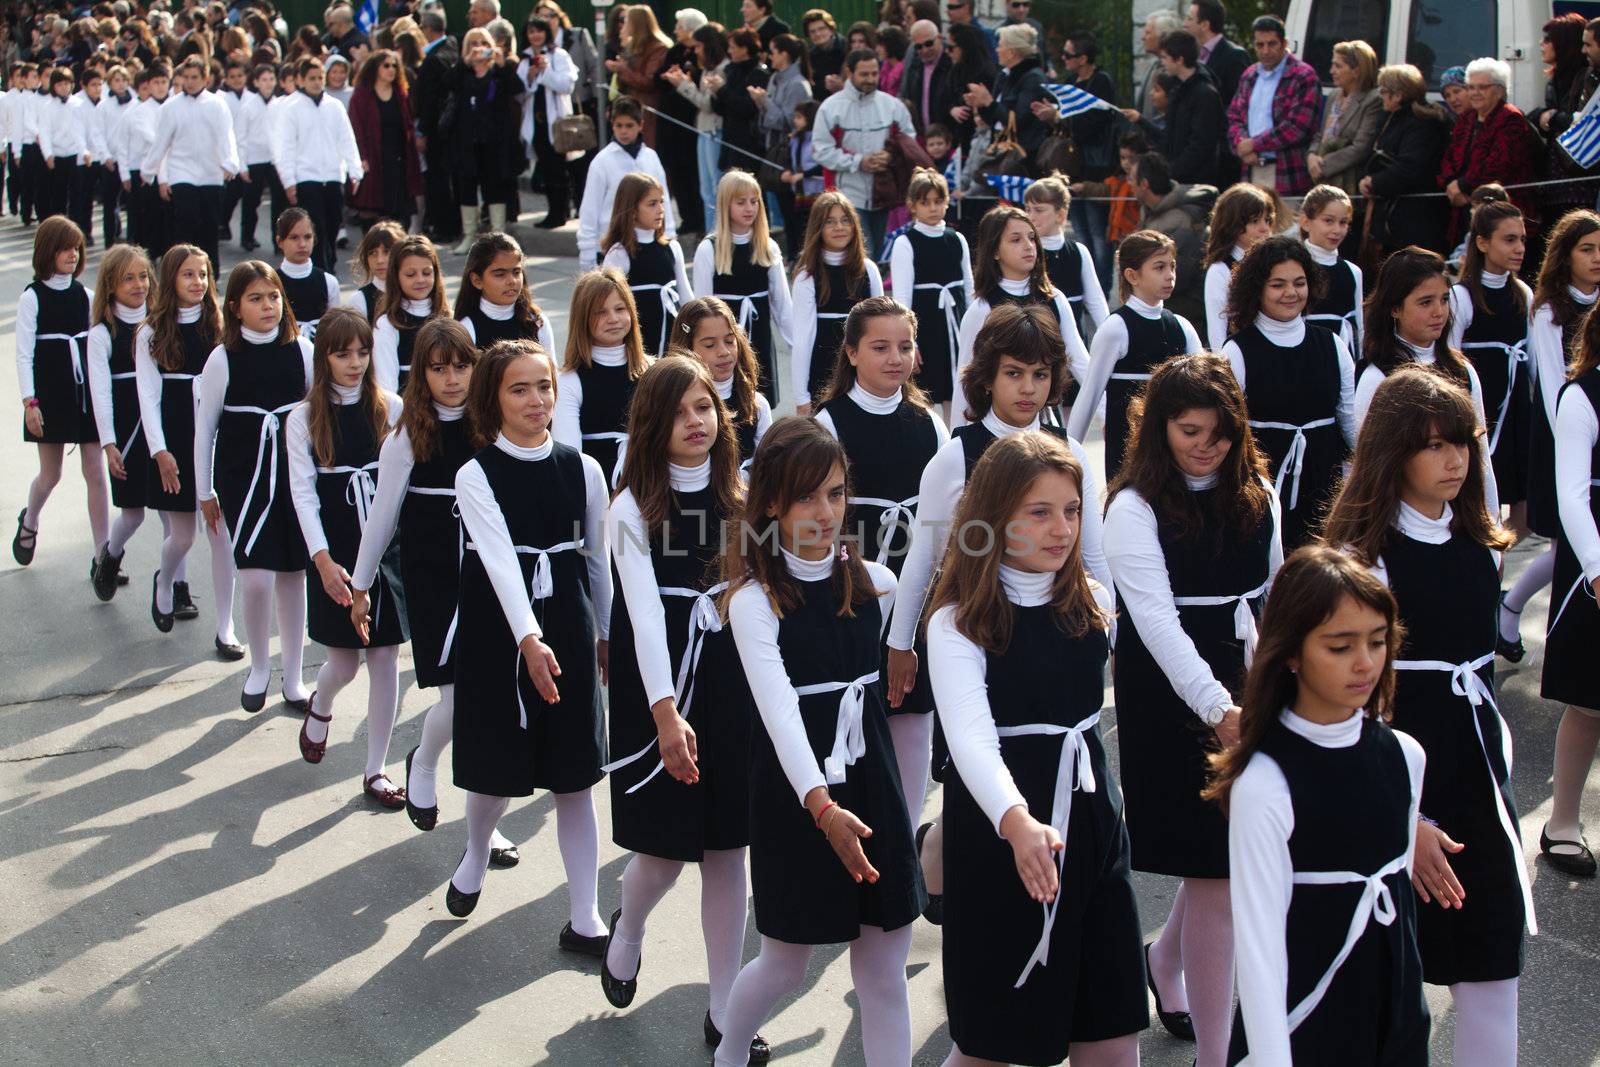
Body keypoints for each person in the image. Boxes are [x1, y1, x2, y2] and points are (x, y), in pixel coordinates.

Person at [1327, 365, 1532, 1067]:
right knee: (1369, 987)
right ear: (1394, 451)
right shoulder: (1368, 556)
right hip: (1393, 784)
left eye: (1463, 443)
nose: (1454, 460)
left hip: (1475, 777)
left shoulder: (1479, 540)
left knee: (1493, 965)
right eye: (1433, 445)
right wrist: (1405, 819)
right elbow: (1350, 706)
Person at [926, 430, 1146, 1067]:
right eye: (1039, 512)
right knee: (999, 1043)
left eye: (1072, 511)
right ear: (994, 517)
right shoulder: (959, 619)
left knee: (1110, 1033)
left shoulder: (1095, 603)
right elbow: (970, 735)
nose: (1062, 528)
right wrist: (1016, 821)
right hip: (1001, 838)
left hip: (1094, 827)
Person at [717, 416, 923, 1067]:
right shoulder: (754, 602)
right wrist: (823, 808)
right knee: (785, 964)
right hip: (796, 798)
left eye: (836, 493)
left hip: (873, 788)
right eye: (808, 495)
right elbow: (781, 715)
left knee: (884, 972)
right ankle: (727, 1052)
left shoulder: (879, 585)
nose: (826, 510)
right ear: (773, 501)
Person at [1104, 353, 1283, 1067]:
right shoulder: (1132, 506)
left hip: (1247, 676)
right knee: (1219, 871)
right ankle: (1218, 1055)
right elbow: (1154, 620)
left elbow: (1279, 591)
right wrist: (1220, 708)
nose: (1206, 444)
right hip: (1171, 694)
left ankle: (1166, 960)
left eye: (1218, 431)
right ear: (1157, 430)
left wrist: (1278, 686)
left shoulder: (1257, 489)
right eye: (1188, 430)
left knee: (1222, 865)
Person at [597, 356, 765, 1062]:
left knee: (729, 853)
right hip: (658, 687)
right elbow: (640, 614)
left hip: (729, 691)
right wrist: (667, 716)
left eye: (706, 407)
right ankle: (628, 929)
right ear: (652, 426)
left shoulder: (746, 496)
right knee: (664, 857)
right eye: (679, 411)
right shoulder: (631, 506)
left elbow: (768, 597)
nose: (697, 421)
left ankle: (724, 1006)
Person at [1207, 544, 1429, 1065]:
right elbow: (1259, 951)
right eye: (1339, 646)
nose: (1365, 663)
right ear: (1290, 652)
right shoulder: (1265, 782)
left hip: (1394, 1022)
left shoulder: (1405, 755)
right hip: (1301, 1025)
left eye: (1378, 642)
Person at [442, 336, 613, 966]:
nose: (537, 399)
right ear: (494, 399)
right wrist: (527, 640)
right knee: (495, 774)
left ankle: (586, 915)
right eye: (520, 388)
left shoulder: (584, 468)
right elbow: (499, 565)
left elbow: (597, 560)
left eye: (544, 385)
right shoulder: (475, 474)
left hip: (566, 624)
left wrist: (605, 634)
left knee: (575, 779)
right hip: (500, 635)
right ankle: (475, 854)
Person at [813, 297, 948, 824]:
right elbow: (814, 520)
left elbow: (942, 522)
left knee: (913, 715)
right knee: (855, 713)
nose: (896, 358)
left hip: (917, 590)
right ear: (850, 353)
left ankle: (907, 836)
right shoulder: (828, 422)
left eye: (905, 346)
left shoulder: (928, 423)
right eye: (880, 347)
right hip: (850, 589)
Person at [283, 306, 408, 807]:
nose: (355, 362)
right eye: (342, 353)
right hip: (334, 548)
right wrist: (322, 560)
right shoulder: (303, 417)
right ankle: (322, 702)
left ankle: (376, 769)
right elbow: (303, 492)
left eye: (362, 352)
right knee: (345, 663)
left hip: (385, 549)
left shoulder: (391, 408)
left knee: (384, 657)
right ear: (324, 358)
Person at [193, 260, 314, 714]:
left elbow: (317, 410)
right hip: (243, 477)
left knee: (293, 575)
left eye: (273, 296)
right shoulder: (222, 358)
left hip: (292, 474)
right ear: (235, 308)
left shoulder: (301, 349)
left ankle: (295, 675)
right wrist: (205, 490)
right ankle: (260, 666)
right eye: (255, 299)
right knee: (257, 578)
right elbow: (205, 429)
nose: (267, 306)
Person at [1503, 210, 1600, 660]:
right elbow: (1553, 383)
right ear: (1566, 254)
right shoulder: (1550, 308)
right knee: (1567, 541)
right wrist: (1575, 437)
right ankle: (1510, 605)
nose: (1597, 258)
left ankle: (1509, 606)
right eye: (1587, 249)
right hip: (1565, 432)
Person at [1222, 235, 1357, 550]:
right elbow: (1229, 427)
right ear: (1257, 289)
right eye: (1278, 284)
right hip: (1264, 483)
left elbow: (1349, 419)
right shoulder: (1238, 350)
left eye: (1299, 283)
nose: (1290, 293)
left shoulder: (1332, 345)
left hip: (1325, 480)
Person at [136, 244, 239, 650]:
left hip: (217, 434)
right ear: (170, 280)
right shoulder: (151, 331)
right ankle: (164, 580)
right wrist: (160, 451)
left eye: (203, 274)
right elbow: (148, 396)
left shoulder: (220, 324)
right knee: (182, 538)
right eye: (188, 275)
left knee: (221, 537)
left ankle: (226, 626)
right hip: (176, 437)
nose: (198, 282)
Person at [1353, 249, 1500, 526]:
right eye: (1425, 302)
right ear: (1394, 308)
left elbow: (1480, 456)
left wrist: (1491, 522)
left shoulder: (1461, 370)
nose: (1438, 312)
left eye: (1444, 300)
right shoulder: (1377, 376)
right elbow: (1366, 466)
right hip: (1399, 521)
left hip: (1460, 516)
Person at [11, 218, 108, 576]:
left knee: (95, 471)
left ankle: (103, 555)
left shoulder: (86, 296)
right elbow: (23, 354)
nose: (72, 254)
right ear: (47, 252)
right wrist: (29, 403)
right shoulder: (32, 297)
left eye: (76, 248)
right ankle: (30, 519)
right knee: (50, 475)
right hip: (49, 394)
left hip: (83, 394)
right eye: (65, 248)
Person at [1541, 295, 1600, 880]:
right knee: (1589, 701)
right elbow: (1573, 495)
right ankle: (1561, 821)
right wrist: (1598, 568)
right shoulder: (1582, 393)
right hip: (1596, 563)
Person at [1068, 229, 1203, 482]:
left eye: (1172, 266)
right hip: (1128, 448)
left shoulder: (1182, 327)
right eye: (1159, 267)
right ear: (1132, 275)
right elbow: (1089, 394)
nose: (1170, 275)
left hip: (1173, 449)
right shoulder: (1116, 328)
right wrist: (1067, 455)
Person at [951, 204, 1087, 429]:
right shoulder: (982, 308)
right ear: (995, 251)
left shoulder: (1055, 299)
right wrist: (958, 434)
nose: (1028, 246)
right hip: (996, 424)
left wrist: (1105, 411)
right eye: (1016, 240)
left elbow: (1080, 362)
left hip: (1042, 421)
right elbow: (965, 376)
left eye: (1032, 238)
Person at [1448, 202, 1533, 533]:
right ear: (1482, 242)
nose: (1520, 248)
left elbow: (1534, 363)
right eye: (1509, 240)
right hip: (1480, 412)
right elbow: (1449, 359)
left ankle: (1501, 564)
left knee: (1523, 502)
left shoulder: (1523, 293)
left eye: (1523, 239)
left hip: (1515, 412)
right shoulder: (1462, 296)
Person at [85, 246, 153, 601]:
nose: (139, 284)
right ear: (110, 285)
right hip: (127, 432)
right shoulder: (102, 334)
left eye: (143, 276)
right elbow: (101, 393)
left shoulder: (159, 322)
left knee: (174, 514)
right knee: (133, 515)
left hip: (161, 428)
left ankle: (178, 588)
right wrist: (109, 443)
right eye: (129, 278)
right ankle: (109, 556)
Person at [693, 170, 793, 405]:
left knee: (760, 404)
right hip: (723, 343)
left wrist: (799, 347)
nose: (749, 208)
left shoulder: (768, 247)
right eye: (741, 202)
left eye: (754, 201)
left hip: (759, 340)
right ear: (726, 205)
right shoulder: (709, 249)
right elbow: (699, 307)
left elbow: (782, 305)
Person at [551, 268, 651, 491]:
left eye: (619, 309)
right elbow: (570, 458)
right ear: (583, 318)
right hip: (598, 492)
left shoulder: (653, 371)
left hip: (652, 489)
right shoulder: (569, 380)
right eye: (600, 312)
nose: (613, 319)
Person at [141, 55, 240, 274]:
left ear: (205, 78)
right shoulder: (171, 107)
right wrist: (149, 170)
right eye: (186, 77)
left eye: (195, 77)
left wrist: (230, 164)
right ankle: (182, 273)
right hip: (182, 173)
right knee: (185, 226)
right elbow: (161, 142)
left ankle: (210, 275)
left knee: (209, 228)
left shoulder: (217, 105)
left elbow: (226, 136)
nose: (190, 81)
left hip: (210, 174)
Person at [813, 48, 915, 258]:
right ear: (849, 73)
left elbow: (909, 141)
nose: (870, 79)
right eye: (864, 74)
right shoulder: (830, 108)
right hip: (847, 195)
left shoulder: (892, 105)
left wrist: (891, 156)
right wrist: (859, 161)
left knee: (876, 255)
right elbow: (821, 151)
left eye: (874, 74)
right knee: (860, 255)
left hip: (885, 196)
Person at [887, 167, 972, 415]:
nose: (933, 208)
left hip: (956, 324)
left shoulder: (957, 239)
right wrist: (910, 341)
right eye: (925, 202)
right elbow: (902, 298)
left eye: (938, 201)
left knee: (958, 387)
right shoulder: (906, 243)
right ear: (912, 206)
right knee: (929, 390)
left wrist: (974, 332)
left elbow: (969, 288)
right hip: (927, 325)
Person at [790, 193, 884, 408]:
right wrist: (801, 397)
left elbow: (882, 327)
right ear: (817, 228)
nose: (839, 227)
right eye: (830, 222)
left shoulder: (868, 269)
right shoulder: (807, 276)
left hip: (863, 368)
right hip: (823, 371)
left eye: (845, 220)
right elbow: (802, 339)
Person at [273, 56, 363, 273]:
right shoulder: (291, 107)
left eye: (319, 77)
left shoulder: (334, 106)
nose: (316, 82)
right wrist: (289, 181)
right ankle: (318, 271)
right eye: (311, 78)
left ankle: (329, 269)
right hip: (306, 177)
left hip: (332, 175)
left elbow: (346, 138)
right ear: (301, 79)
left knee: (332, 225)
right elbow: (284, 147)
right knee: (316, 227)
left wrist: (355, 170)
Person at [1438, 58, 1538, 246]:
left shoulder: (1511, 118)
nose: (1475, 93)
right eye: (1471, 87)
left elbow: (1499, 164)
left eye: (1482, 87)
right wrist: (1450, 183)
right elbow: (1449, 156)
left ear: (1499, 90)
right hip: (1463, 208)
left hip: (1502, 211)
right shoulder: (1467, 118)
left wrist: (1463, 186)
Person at [1359, 64, 1451, 258]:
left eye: (1384, 91)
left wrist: (1375, 182)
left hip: (1416, 216)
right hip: (1393, 212)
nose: (1380, 96)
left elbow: (1411, 167)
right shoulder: (1391, 116)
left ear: (1398, 95)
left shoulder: (1424, 121)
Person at [668, 297, 773, 466]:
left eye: (730, 341)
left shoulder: (757, 404)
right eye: (709, 345)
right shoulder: (670, 404)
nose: (724, 352)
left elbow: (769, 466)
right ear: (686, 348)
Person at [1223, 16, 1320, 198]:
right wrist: (1240, 145)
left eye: (1272, 44)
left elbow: (1297, 127)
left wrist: (1253, 144)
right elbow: (1234, 116)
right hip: (1251, 167)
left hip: (1286, 169)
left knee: (1284, 225)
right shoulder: (1250, 75)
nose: (1266, 51)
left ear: (1284, 43)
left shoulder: (1303, 76)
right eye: (1260, 45)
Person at [447, 27, 524, 254]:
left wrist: (501, 65)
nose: (478, 47)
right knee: (467, 187)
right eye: (473, 43)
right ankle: (469, 235)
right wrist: (465, 63)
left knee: (495, 187)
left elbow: (517, 88)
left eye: (483, 42)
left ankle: (498, 234)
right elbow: (447, 84)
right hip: (467, 142)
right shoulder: (462, 72)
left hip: (495, 141)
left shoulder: (500, 71)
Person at [602, 172, 693, 358]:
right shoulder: (620, 253)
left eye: (661, 202)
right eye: (652, 204)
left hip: (673, 341)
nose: (660, 209)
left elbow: (686, 298)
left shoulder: (672, 247)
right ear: (632, 210)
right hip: (639, 345)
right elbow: (608, 303)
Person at [577, 97, 676, 267]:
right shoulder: (602, 161)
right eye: (618, 125)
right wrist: (587, 254)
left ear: (640, 125)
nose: (623, 131)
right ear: (612, 125)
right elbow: (590, 209)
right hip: (612, 246)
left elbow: (664, 198)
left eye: (629, 126)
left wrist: (670, 235)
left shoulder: (651, 157)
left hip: (649, 242)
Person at [1305, 40, 1379, 251]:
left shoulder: (1372, 99)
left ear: (1356, 70)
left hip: (1348, 184)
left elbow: (1361, 146)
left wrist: (1324, 164)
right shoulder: (1334, 97)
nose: (1332, 71)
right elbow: (1321, 134)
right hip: (1322, 183)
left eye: (1339, 66)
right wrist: (1311, 156)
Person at [1529, 16, 1600, 227]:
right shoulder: (1572, 78)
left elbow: (1580, 120)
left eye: (1548, 39)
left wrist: (1553, 118)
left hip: (1581, 180)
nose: (1583, 50)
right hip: (1559, 172)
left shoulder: (1585, 78)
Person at [1129, 151, 1212, 329]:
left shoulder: (1180, 221)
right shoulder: (1150, 211)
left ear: (1144, 184)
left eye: (1131, 179)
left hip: (1185, 311)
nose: (1129, 184)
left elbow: (1178, 279)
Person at [1022, 175, 1109, 343]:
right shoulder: (1027, 253)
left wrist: (1110, 338)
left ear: (1060, 214)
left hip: (1075, 345)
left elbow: (1096, 302)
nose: (1030, 216)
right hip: (1037, 343)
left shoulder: (1079, 252)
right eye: (1027, 209)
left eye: (1038, 210)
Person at [348, 49, 422, 232]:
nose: (391, 70)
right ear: (375, 68)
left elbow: (407, 127)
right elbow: (356, 128)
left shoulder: (400, 94)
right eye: (386, 66)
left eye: (395, 66)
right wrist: (361, 157)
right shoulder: (362, 95)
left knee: (400, 212)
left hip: (398, 159)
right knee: (373, 212)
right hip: (373, 159)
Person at [518, 16, 578, 232]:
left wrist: (545, 71)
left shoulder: (559, 55)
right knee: (545, 167)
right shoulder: (524, 60)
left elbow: (566, 85)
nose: (535, 36)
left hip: (557, 123)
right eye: (531, 32)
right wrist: (531, 76)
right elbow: (521, 94)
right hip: (536, 123)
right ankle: (553, 211)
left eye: (539, 31)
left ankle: (560, 212)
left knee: (558, 168)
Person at [1200, 181, 1275, 349]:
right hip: (1238, 353)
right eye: (1255, 221)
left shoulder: (1274, 263)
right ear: (1233, 224)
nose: (1265, 228)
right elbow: (1217, 329)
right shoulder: (1220, 269)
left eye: (1268, 220)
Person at [371, 236, 449, 393]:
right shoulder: (387, 324)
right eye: (410, 274)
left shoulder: (448, 317)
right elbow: (386, 387)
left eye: (427, 273)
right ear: (396, 277)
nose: (420, 280)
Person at [415, 8, 461, 243]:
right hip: (450, 128)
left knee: (438, 179)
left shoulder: (434, 59)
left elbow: (429, 101)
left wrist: (422, 130)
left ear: (428, 29)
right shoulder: (452, 49)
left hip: (437, 131)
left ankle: (444, 226)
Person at [1299, 185, 1364, 351]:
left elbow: (1359, 326)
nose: (1337, 230)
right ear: (1306, 222)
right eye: (1328, 221)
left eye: (1343, 222)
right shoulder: (1297, 266)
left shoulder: (1353, 271)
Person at [1157, 29, 1224, 187]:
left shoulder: (1205, 93)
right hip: (1178, 180)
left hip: (1197, 183)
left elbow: (1201, 144)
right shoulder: (1177, 90)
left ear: (1179, 59)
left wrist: (1173, 172)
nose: (1162, 62)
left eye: (1165, 58)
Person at [273, 208, 342, 342]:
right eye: (294, 237)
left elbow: (335, 328)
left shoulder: (328, 281)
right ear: (280, 241)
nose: (302, 244)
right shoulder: (271, 282)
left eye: (307, 237)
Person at [235, 64, 282, 252]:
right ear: (256, 82)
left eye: (271, 79)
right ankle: (247, 236)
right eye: (263, 79)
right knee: (251, 201)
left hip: (275, 160)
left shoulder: (280, 104)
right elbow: (240, 137)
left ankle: (278, 240)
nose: (268, 83)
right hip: (254, 159)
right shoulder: (248, 106)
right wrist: (242, 165)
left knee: (279, 202)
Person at [1186, 0, 1248, 110]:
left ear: (1204, 25)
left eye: (1189, 19)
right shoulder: (1193, 54)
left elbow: (1238, 104)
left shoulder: (1235, 56)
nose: (1185, 24)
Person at [899, 20, 951, 138]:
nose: (925, 50)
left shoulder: (951, 62)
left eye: (929, 44)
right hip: (923, 138)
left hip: (947, 139)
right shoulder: (913, 65)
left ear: (939, 38)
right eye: (919, 46)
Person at [345, 220, 403, 324]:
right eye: (372, 253)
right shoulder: (359, 300)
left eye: (387, 251)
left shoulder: (415, 292)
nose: (380, 260)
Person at [800, 10, 845, 99]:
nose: (818, 34)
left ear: (831, 29)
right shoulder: (810, 56)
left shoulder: (846, 48)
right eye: (812, 31)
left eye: (822, 29)